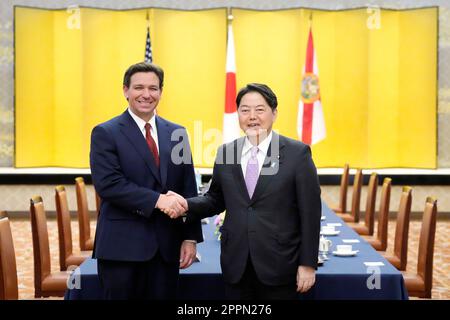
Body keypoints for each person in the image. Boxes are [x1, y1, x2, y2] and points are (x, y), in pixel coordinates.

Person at [166, 83, 321, 299]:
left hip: (280, 264)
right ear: (237, 114)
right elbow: (216, 199)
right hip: (236, 263)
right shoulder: (226, 152)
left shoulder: (297, 154)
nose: (252, 116)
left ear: (274, 113)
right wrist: (186, 204)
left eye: (260, 109)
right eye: (245, 110)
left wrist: (307, 264)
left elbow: (310, 213)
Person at [90, 62, 203, 299]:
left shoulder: (177, 133)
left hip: (166, 250)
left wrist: (190, 237)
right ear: (125, 90)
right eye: (139, 87)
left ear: (161, 92)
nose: (146, 94)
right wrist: (158, 201)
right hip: (121, 249)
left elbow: (187, 189)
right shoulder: (105, 132)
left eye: (153, 88)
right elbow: (109, 185)